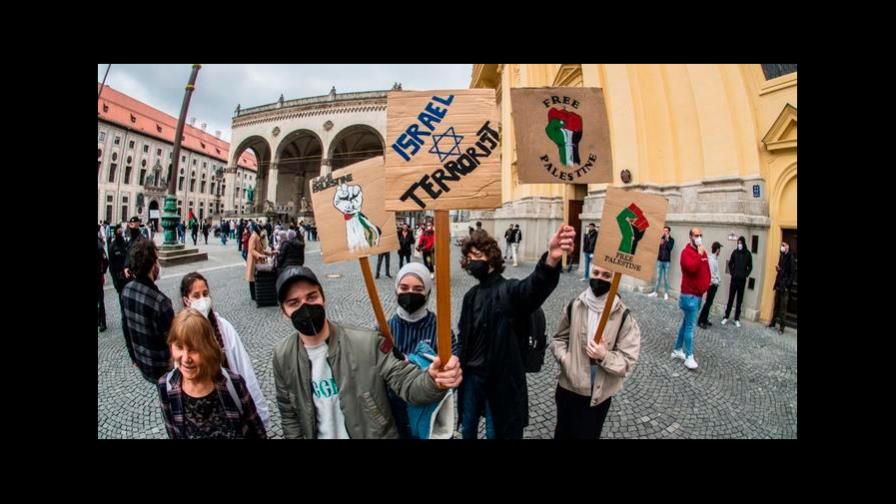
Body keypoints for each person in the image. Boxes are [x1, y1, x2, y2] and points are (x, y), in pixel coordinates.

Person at [271, 265, 462, 439]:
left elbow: (406, 382)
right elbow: (289, 412)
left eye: (311, 297)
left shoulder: (367, 342)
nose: (305, 307)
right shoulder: (282, 356)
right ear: (284, 311)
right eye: (294, 302)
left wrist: (433, 380)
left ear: (323, 298)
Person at [456, 225, 575, 439]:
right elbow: (464, 337)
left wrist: (550, 261)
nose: (472, 261)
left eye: (478, 255)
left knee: (497, 432)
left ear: (491, 259)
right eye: (469, 257)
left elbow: (532, 288)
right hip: (472, 378)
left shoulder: (509, 290)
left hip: (500, 380)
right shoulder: (470, 296)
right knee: (467, 428)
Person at [552, 263, 642, 438]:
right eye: (596, 273)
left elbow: (628, 360)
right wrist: (566, 359)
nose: (599, 278)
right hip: (569, 387)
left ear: (614, 278)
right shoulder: (575, 305)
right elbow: (559, 339)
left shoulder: (623, 316)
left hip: (597, 395)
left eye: (606, 275)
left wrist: (604, 356)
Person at [179, 272, 270, 428]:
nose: (202, 299)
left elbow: (244, 367)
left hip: (229, 403)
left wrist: (259, 411)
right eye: (196, 295)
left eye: (205, 294)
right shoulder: (182, 333)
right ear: (186, 300)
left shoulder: (223, 327)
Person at [158, 309, 267, 439]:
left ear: (208, 348)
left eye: (194, 349)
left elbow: (257, 431)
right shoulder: (166, 387)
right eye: (179, 347)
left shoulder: (232, 383)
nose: (186, 358)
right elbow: (173, 434)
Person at [385, 262, 461, 438]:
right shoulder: (385, 330)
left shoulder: (439, 329)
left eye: (418, 289)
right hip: (395, 413)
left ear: (427, 293)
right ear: (396, 290)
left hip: (429, 414)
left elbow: (452, 361)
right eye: (404, 287)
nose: (410, 293)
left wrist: (449, 372)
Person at [121, 238, 174, 382]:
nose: (158, 265)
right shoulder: (161, 302)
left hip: (141, 360)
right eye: (157, 261)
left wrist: (133, 356)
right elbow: (173, 341)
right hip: (162, 368)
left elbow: (125, 327)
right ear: (152, 265)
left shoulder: (126, 290)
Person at [672, 228, 711, 370]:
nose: (699, 237)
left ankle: (677, 349)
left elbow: (705, 268)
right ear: (690, 237)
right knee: (690, 327)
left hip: (698, 295)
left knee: (685, 323)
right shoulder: (685, 253)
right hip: (689, 296)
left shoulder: (702, 252)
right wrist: (699, 255)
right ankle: (689, 356)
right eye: (696, 235)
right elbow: (692, 268)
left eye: (701, 235)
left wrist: (706, 284)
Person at [721, 235, 753, 328]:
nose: (739, 245)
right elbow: (730, 263)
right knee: (730, 299)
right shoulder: (735, 253)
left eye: (740, 243)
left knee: (739, 300)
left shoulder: (748, 254)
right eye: (738, 243)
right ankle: (726, 316)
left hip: (742, 281)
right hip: (734, 279)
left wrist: (746, 274)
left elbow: (750, 266)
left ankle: (736, 319)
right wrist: (732, 272)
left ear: (743, 243)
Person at [769, 240, 795, 334]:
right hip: (779, 284)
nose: (782, 247)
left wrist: (787, 285)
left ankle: (782, 328)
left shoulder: (791, 257)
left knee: (783, 308)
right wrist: (778, 269)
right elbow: (781, 269)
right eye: (781, 245)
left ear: (787, 246)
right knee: (776, 305)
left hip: (785, 286)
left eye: (783, 245)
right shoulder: (782, 255)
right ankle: (772, 323)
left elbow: (792, 274)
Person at [698, 241, 723, 329]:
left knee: (709, 303)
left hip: (714, 284)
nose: (720, 251)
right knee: (707, 303)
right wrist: (716, 282)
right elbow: (711, 275)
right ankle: (701, 320)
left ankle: (705, 319)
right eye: (719, 249)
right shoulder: (712, 260)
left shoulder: (714, 259)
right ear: (717, 250)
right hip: (712, 285)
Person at [246, 223, 273, 301]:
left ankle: (256, 294)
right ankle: (253, 296)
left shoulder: (257, 236)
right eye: (260, 229)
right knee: (252, 278)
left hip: (257, 260)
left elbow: (261, 249)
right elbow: (251, 250)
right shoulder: (254, 236)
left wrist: (270, 253)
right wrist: (260, 256)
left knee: (255, 277)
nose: (261, 231)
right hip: (253, 260)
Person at [649, 226, 675, 300]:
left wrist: (667, 240)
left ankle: (666, 293)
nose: (664, 232)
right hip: (659, 260)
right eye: (664, 231)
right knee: (658, 278)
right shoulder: (661, 238)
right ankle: (655, 292)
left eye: (666, 231)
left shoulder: (672, 240)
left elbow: (670, 248)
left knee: (666, 278)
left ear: (669, 232)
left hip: (666, 262)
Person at [97, 226, 109, 332]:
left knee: (100, 300)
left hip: (98, 276)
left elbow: (106, 261)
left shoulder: (99, 245)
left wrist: (103, 272)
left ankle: (102, 322)